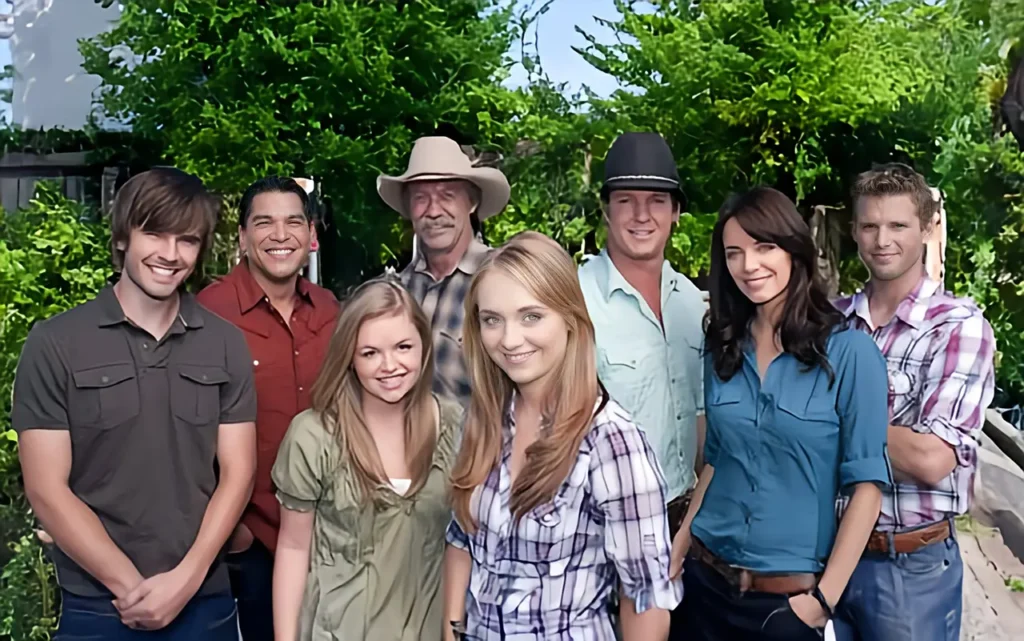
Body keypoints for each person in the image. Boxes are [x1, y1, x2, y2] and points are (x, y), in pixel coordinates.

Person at [11, 168, 257, 640]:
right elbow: (46, 488)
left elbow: (238, 474)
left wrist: (184, 582)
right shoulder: (55, 343)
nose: (170, 254)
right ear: (124, 235)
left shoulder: (226, 345)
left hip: (204, 602)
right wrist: (130, 588)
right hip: (98, 607)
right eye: (155, 234)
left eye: (186, 240)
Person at [671, 187, 890, 640]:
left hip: (786, 608)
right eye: (734, 253)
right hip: (703, 587)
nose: (748, 265)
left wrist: (821, 602)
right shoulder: (722, 349)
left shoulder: (850, 353)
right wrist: (680, 546)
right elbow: (714, 461)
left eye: (763, 246)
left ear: (794, 249)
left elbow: (867, 488)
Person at [443, 231, 682, 641]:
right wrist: (452, 631)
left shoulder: (612, 442)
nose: (510, 339)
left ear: (570, 319)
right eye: (492, 320)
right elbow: (462, 537)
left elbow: (645, 602)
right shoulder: (486, 419)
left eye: (531, 316)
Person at [832, 164, 996, 641]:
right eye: (870, 225)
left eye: (898, 225)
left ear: (927, 229)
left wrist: (829, 418)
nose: (882, 239)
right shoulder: (832, 322)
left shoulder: (958, 326)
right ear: (855, 232)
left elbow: (931, 460)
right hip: (827, 554)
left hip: (910, 567)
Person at [271, 278, 464, 641]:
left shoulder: (455, 426)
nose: (389, 365)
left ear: (424, 346)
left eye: (403, 346)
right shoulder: (313, 436)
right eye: (370, 352)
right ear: (349, 357)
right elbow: (294, 548)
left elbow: (463, 545)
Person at [195, 176, 340, 641]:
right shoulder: (206, 313)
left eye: (293, 222)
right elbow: (185, 430)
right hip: (249, 541)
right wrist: (233, 532)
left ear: (311, 234)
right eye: (265, 223)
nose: (281, 235)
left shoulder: (330, 310)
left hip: (328, 533)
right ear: (242, 237)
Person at [578, 131, 706, 540]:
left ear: (676, 213)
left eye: (656, 201)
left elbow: (700, 414)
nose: (641, 215)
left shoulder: (690, 300)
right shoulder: (574, 300)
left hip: (687, 522)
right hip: (604, 524)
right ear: (605, 210)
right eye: (625, 201)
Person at [377, 135, 511, 408]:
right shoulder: (392, 292)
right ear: (408, 209)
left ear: (472, 203)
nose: (434, 211)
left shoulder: (505, 281)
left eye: (447, 196)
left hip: (482, 449)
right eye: (420, 198)